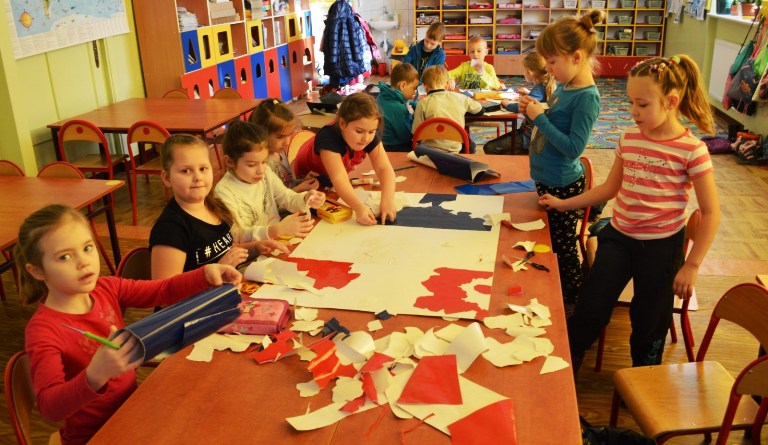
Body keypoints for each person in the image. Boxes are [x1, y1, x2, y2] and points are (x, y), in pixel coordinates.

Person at [539, 55, 721, 371]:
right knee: (590, 308)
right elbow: (609, 189)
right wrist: (563, 203)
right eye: (630, 103)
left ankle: (644, 376)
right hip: (620, 237)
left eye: (643, 104)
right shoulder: (628, 138)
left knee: (649, 321)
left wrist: (692, 265)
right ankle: (566, 368)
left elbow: (711, 212)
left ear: (671, 102)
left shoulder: (692, 150)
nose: (633, 111)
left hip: (662, 247)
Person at [16, 204, 242, 445]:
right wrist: (95, 375)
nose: (83, 262)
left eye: (87, 248)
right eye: (64, 257)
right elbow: (50, 407)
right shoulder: (43, 331)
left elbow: (163, 289)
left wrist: (205, 274)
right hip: (93, 436)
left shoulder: (106, 288)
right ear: (37, 271)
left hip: (131, 413)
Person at [519, 10, 604, 314]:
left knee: (563, 249)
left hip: (564, 186)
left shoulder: (587, 97)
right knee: (549, 241)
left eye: (553, 61)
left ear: (577, 57)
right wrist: (536, 107)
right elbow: (555, 119)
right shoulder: (567, 87)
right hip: (548, 180)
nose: (548, 68)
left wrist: (539, 117)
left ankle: (573, 304)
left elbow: (572, 148)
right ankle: (556, 293)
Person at [150, 134, 287, 279]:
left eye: (203, 168)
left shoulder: (214, 206)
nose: (198, 177)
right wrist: (219, 269)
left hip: (231, 285)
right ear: (167, 178)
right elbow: (166, 289)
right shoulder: (170, 229)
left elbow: (225, 249)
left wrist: (255, 247)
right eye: (186, 171)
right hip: (208, 293)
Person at [292, 92, 397, 226]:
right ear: (342, 123)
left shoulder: (367, 132)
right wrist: (359, 208)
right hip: (308, 183)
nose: (366, 138)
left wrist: (387, 200)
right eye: (359, 131)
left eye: (371, 132)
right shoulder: (328, 138)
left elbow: (384, 168)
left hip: (329, 180)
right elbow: (339, 179)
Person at [215, 120, 325, 241]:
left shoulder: (265, 172)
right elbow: (236, 235)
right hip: (255, 250)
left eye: (264, 161)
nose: (260, 170)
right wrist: (275, 230)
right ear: (229, 162)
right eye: (251, 165)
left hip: (276, 240)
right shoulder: (223, 192)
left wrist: (306, 198)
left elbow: (286, 197)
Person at [248, 98, 320, 192]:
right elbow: (272, 199)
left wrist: (302, 181)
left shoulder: (279, 151)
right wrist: (298, 189)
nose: (287, 142)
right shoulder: (263, 164)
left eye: (289, 135)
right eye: (279, 137)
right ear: (261, 132)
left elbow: (288, 183)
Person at [412, 65, 484, 154]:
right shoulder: (461, 98)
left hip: (429, 152)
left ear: (424, 86)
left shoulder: (422, 103)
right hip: (455, 150)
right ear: (447, 84)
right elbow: (480, 111)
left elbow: (416, 133)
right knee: (470, 144)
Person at [501, 52, 557, 154]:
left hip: (530, 135)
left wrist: (506, 103)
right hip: (534, 131)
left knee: (490, 148)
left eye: (524, 70)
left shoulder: (539, 89)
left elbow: (520, 107)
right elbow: (540, 99)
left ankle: (521, 157)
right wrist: (528, 93)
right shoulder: (546, 84)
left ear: (530, 72)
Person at [376, 62, 420, 152]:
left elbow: (404, 102)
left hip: (381, 142)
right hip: (393, 147)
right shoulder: (398, 109)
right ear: (403, 85)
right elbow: (407, 136)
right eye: (414, 88)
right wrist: (410, 115)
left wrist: (416, 104)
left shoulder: (384, 94)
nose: (415, 92)